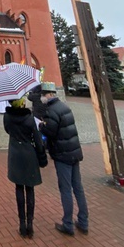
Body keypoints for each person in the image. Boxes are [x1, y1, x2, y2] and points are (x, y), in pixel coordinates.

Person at [39, 82, 89, 236]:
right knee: (78, 188)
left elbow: (51, 132)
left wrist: (42, 125)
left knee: (66, 189)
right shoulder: (65, 107)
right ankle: (83, 222)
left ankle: (68, 224)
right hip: (74, 152)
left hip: (63, 155)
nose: (41, 98)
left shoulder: (51, 111)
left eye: (42, 95)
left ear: (48, 95)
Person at [3, 98, 47, 238]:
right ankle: (30, 225)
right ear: (21, 102)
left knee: (19, 188)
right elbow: (38, 140)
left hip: (15, 154)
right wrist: (42, 158)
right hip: (29, 154)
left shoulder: (7, 116)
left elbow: (7, 130)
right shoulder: (29, 118)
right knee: (30, 189)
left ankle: (21, 224)